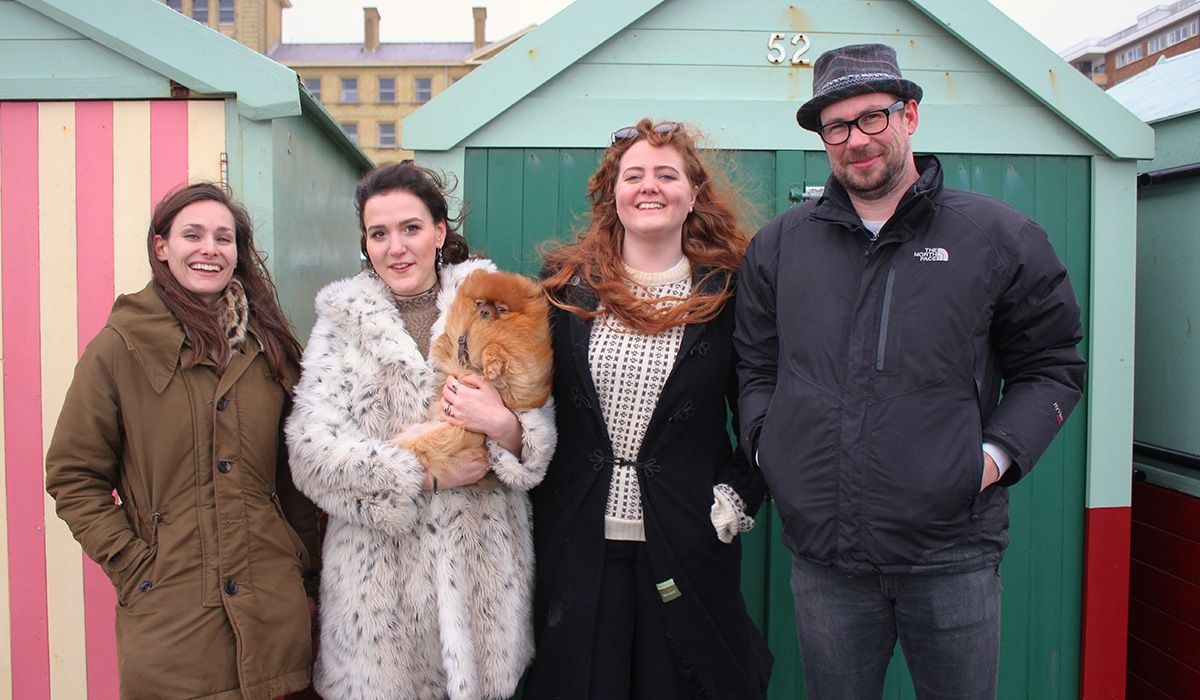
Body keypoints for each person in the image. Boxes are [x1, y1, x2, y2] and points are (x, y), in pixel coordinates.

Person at [734, 44, 1088, 699]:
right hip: (826, 556)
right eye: (835, 127)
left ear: (910, 116)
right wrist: (766, 446)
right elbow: (755, 365)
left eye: (873, 118)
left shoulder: (998, 237)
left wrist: (990, 459)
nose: (856, 140)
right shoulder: (780, 246)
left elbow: (1053, 368)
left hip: (952, 551)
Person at [284, 161, 557, 700]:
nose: (396, 247)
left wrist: (501, 425)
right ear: (365, 243)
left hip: (481, 582)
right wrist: (421, 474)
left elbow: (537, 428)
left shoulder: (491, 304)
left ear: (439, 231)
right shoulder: (342, 324)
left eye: (410, 228)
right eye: (379, 234)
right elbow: (309, 454)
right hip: (380, 594)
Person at [526, 118, 773, 699]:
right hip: (577, 545)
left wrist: (737, 495)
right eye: (633, 175)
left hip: (688, 541)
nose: (649, 186)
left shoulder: (731, 294)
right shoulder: (565, 286)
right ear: (613, 195)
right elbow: (532, 403)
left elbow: (765, 412)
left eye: (667, 174)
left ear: (692, 195)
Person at [44, 182, 321, 698]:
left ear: (238, 252)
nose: (209, 249)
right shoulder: (119, 349)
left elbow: (294, 477)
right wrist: (133, 565)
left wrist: (306, 572)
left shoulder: (270, 349)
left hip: (275, 617)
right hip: (172, 623)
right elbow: (72, 474)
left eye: (224, 237)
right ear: (161, 246)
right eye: (192, 235)